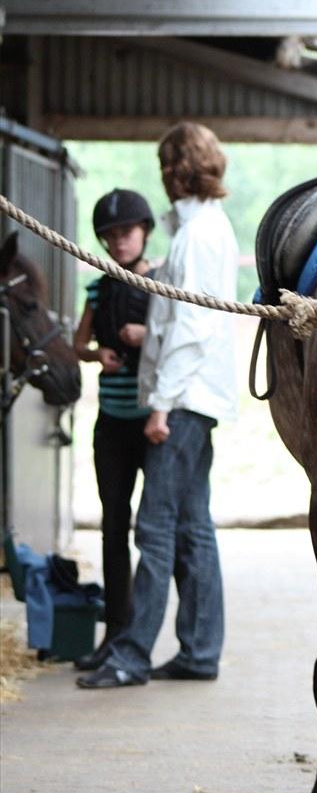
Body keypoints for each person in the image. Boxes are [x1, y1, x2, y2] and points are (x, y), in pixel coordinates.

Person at [78, 123, 239, 689]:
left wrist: (160, 406)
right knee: (193, 527)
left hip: (184, 398)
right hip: (199, 397)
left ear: (174, 169)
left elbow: (190, 330)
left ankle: (131, 654)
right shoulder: (206, 229)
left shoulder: (196, 236)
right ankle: (198, 650)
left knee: (155, 527)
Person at [73, 189, 156, 671]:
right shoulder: (99, 287)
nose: (118, 242)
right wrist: (95, 355)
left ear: (143, 231)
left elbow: (183, 334)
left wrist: (148, 335)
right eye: (109, 236)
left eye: (125, 232)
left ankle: (149, 634)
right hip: (112, 426)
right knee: (112, 528)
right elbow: (79, 343)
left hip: (152, 424)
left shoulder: (162, 284)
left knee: (158, 531)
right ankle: (115, 631)